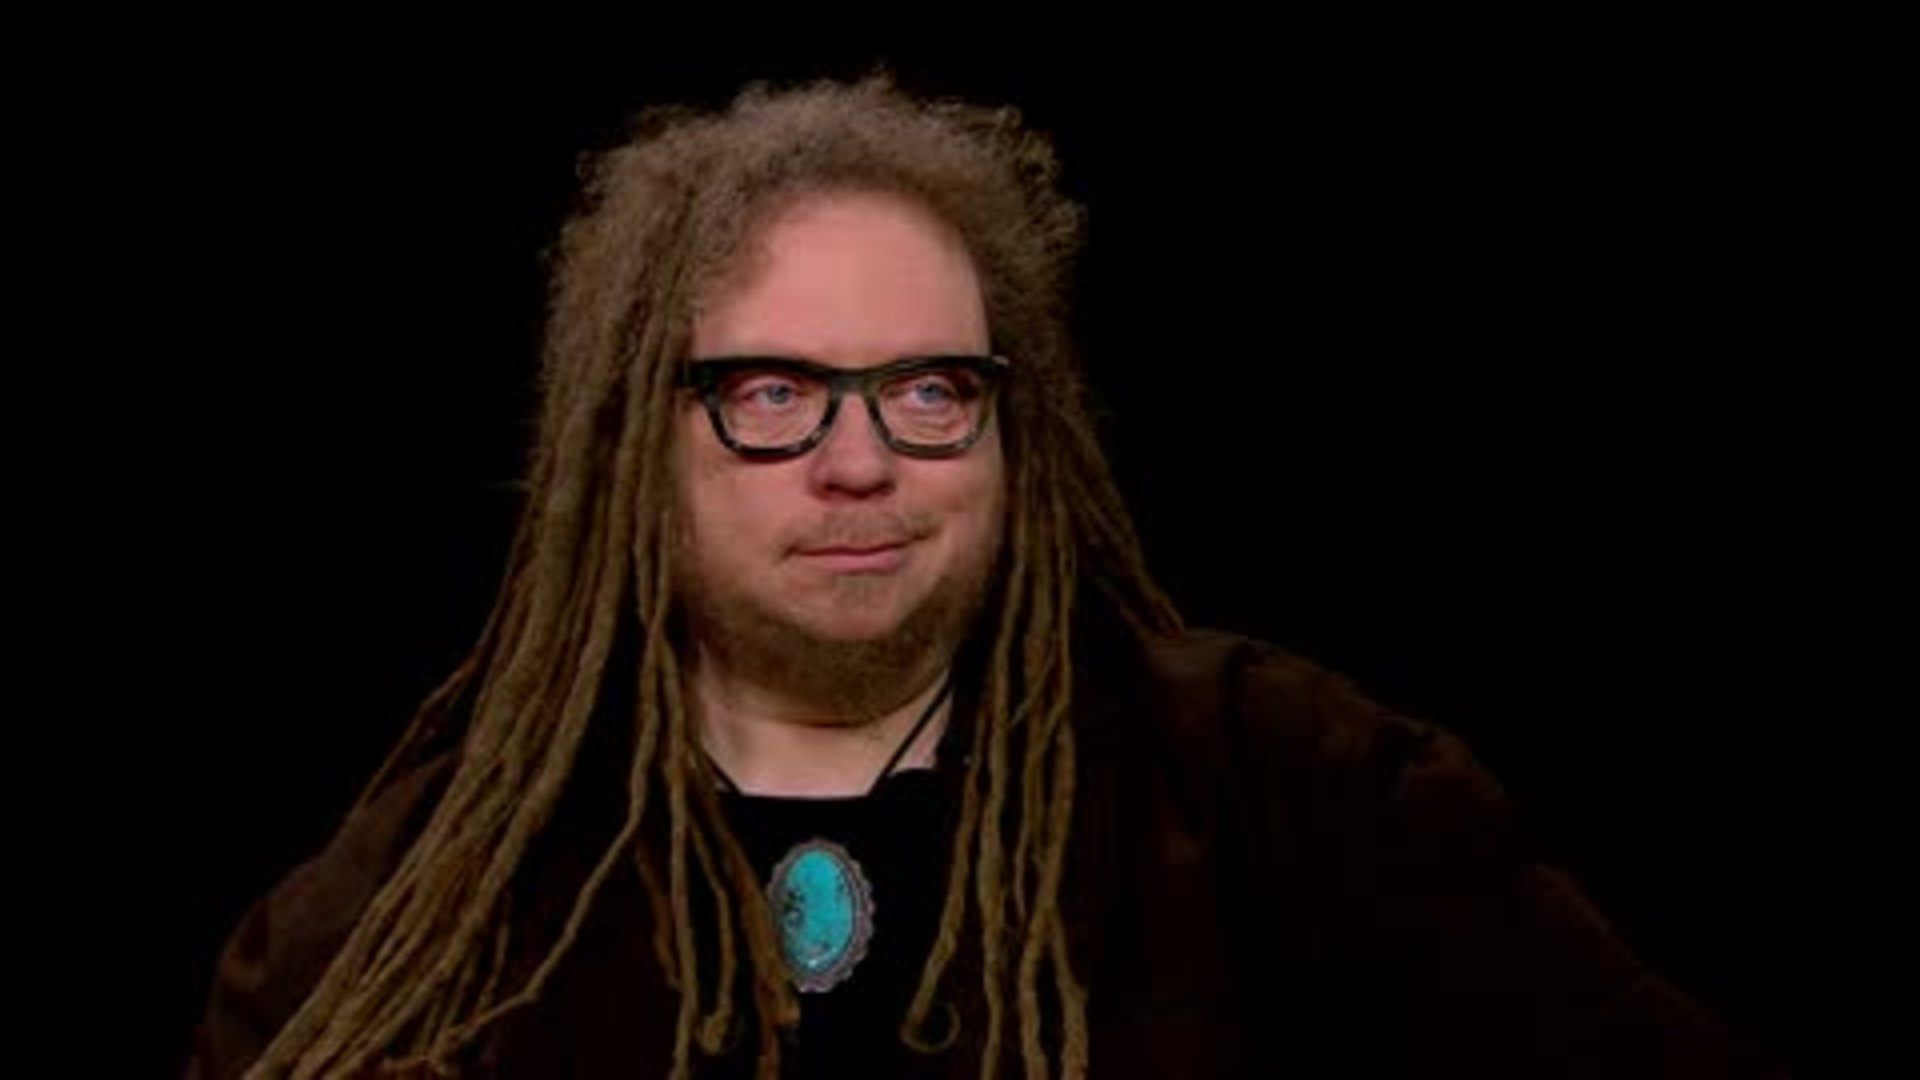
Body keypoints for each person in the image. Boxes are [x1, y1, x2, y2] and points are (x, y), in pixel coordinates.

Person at [186, 74, 1787, 1079]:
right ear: (633, 444)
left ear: (1014, 425)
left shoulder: (1285, 787)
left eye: (930, 390)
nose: (861, 460)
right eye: (773, 394)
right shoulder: (435, 884)